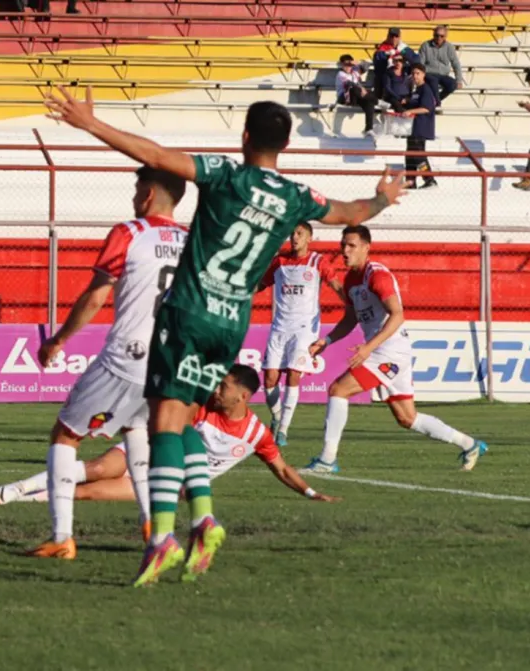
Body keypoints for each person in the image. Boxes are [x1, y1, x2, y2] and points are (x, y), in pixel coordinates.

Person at [43, 86, 405, 587]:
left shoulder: (225, 174)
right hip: (232, 323)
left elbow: (153, 155)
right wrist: (385, 197)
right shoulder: (297, 196)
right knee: (187, 420)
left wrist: (90, 124)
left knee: (164, 426)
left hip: (189, 313)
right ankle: (204, 520)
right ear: (286, 144)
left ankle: (162, 539)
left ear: (244, 136)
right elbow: (352, 212)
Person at [27, 167, 188, 560]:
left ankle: (62, 536)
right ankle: (153, 527)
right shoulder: (190, 241)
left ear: (148, 194)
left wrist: (59, 339)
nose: (134, 197)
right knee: (136, 430)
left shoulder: (130, 232)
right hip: (166, 360)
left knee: (65, 435)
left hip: (125, 357)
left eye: (138, 190)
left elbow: (98, 295)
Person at [0, 365, 340, 507]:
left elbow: (282, 468)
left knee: (88, 494)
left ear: (243, 397)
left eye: (224, 386)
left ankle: (15, 501)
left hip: (164, 482)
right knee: (99, 468)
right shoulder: (200, 406)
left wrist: (310, 492)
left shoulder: (257, 433)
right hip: (148, 451)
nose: (216, 389)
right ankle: (15, 488)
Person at [301, 225, 488, 474]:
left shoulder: (377, 276)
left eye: (351, 246)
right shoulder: (350, 280)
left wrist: (368, 347)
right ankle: (470, 444)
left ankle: (327, 460)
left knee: (338, 390)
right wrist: (327, 341)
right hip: (385, 351)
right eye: (342, 245)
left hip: (389, 352)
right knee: (407, 418)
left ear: (367, 248)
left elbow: (398, 314)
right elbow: (350, 319)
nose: (345, 251)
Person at [260, 222, 344, 447]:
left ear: (310, 238)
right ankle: (277, 417)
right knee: (269, 379)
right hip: (279, 327)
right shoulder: (279, 262)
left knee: (294, 374)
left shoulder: (317, 262)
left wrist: (350, 304)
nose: (294, 237)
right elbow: (259, 284)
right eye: (293, 233)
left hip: (304, 328)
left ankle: (284, 430)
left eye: (300, 234)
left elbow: (335, 284)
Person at [402, 63, 438, 189]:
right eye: (413, 73)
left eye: (418, 73)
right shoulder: (416, 90)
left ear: (423, 74)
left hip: (421, 127)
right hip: (412, 128)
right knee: (409, 155)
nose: (415, 76)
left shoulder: (425, 89)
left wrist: (411, 111)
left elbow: (426, 108)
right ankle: (410, 182)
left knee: (418, 155)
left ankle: (429, 179)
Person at [336, 54, 378, 137]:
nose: (348, 67)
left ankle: (368, 129)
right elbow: (349, 84)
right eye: (345, 65)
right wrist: (361, 88)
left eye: (350, 65)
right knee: (354, 89)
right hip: (345, 97)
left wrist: (357, 62)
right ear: (341, 65)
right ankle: (377, 101)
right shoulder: (340, 74)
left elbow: (367, 65)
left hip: (357, 97)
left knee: (369, 103)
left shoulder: (355, 71)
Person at [419, 25, 463, 102]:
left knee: (452, 84)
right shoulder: (425, 46)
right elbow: (421, 63)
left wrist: (459, 80)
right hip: (429, 73)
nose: (439, 38)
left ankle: (435, 101)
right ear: (433, 35)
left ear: (445, 37)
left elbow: (455, 63)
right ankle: (437, 104)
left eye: (441, 36)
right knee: (433, 82)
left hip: (443, 75)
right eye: (437, 35)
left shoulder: (449, 47)